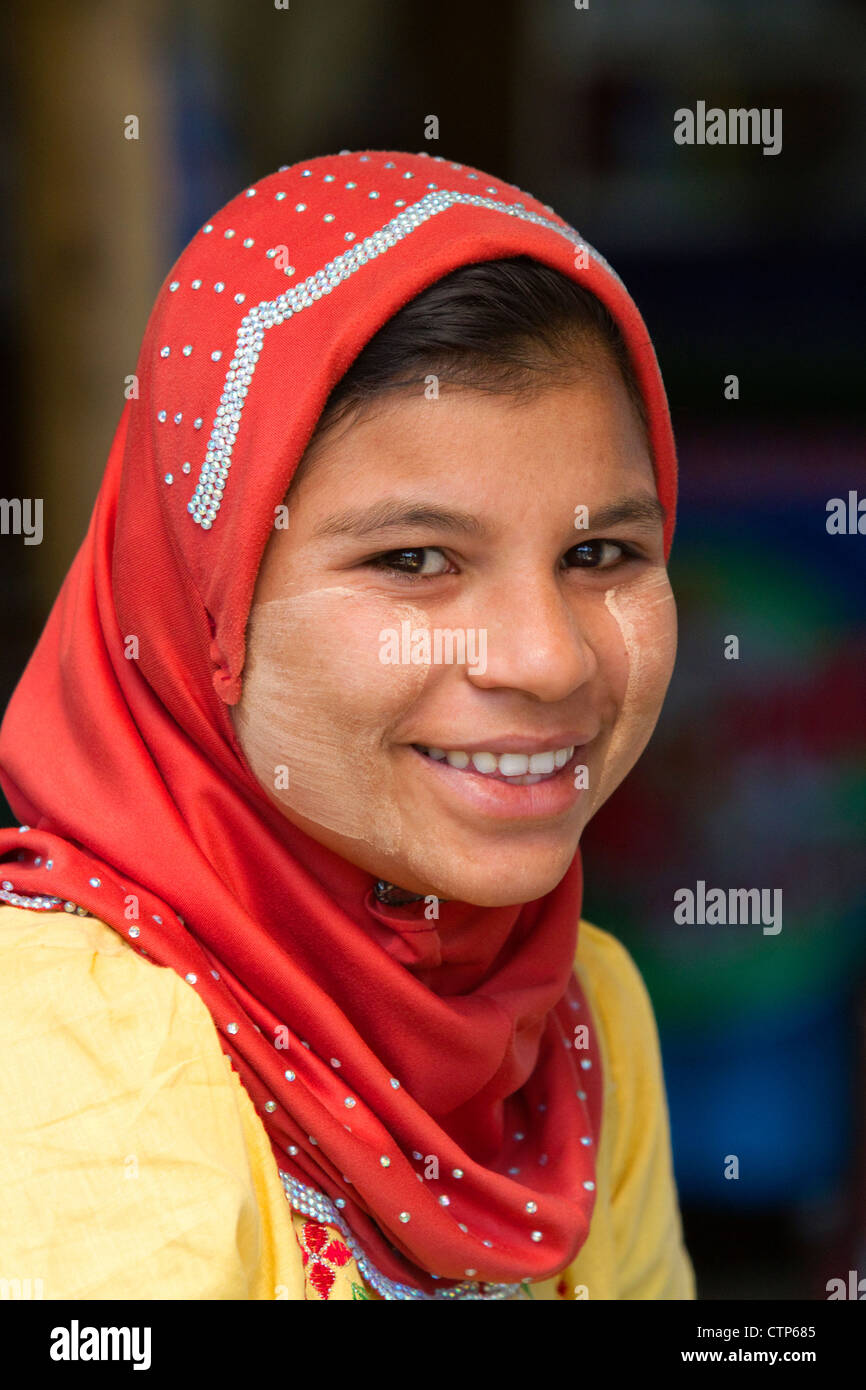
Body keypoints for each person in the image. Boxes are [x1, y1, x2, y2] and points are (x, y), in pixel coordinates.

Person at [0, 148, 694, 1300]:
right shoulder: (73, 1046)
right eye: (414, 560)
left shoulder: (578, 1014)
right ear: (201, 600)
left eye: (598, 554)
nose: (545, 658)